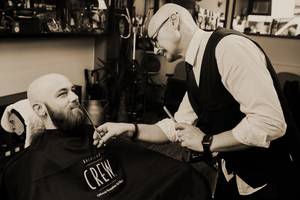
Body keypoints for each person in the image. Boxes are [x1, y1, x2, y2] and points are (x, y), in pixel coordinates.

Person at [93, 3, 300, 200]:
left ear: (174, 21)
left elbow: (270, 122)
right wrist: (127, 128)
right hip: (232, 176)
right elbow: (176, 128)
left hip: (268, 183)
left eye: (155, 39)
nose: (155, 49)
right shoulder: (195, 66)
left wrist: (207, 142)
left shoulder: (228, 47)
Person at [0, 73, 210, 200]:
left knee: (185, 176)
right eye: (62, 94)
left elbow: (145, 165)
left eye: (73, 90)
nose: (75, 97)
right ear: (39, 109)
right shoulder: (31, 166)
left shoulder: (99, 134)